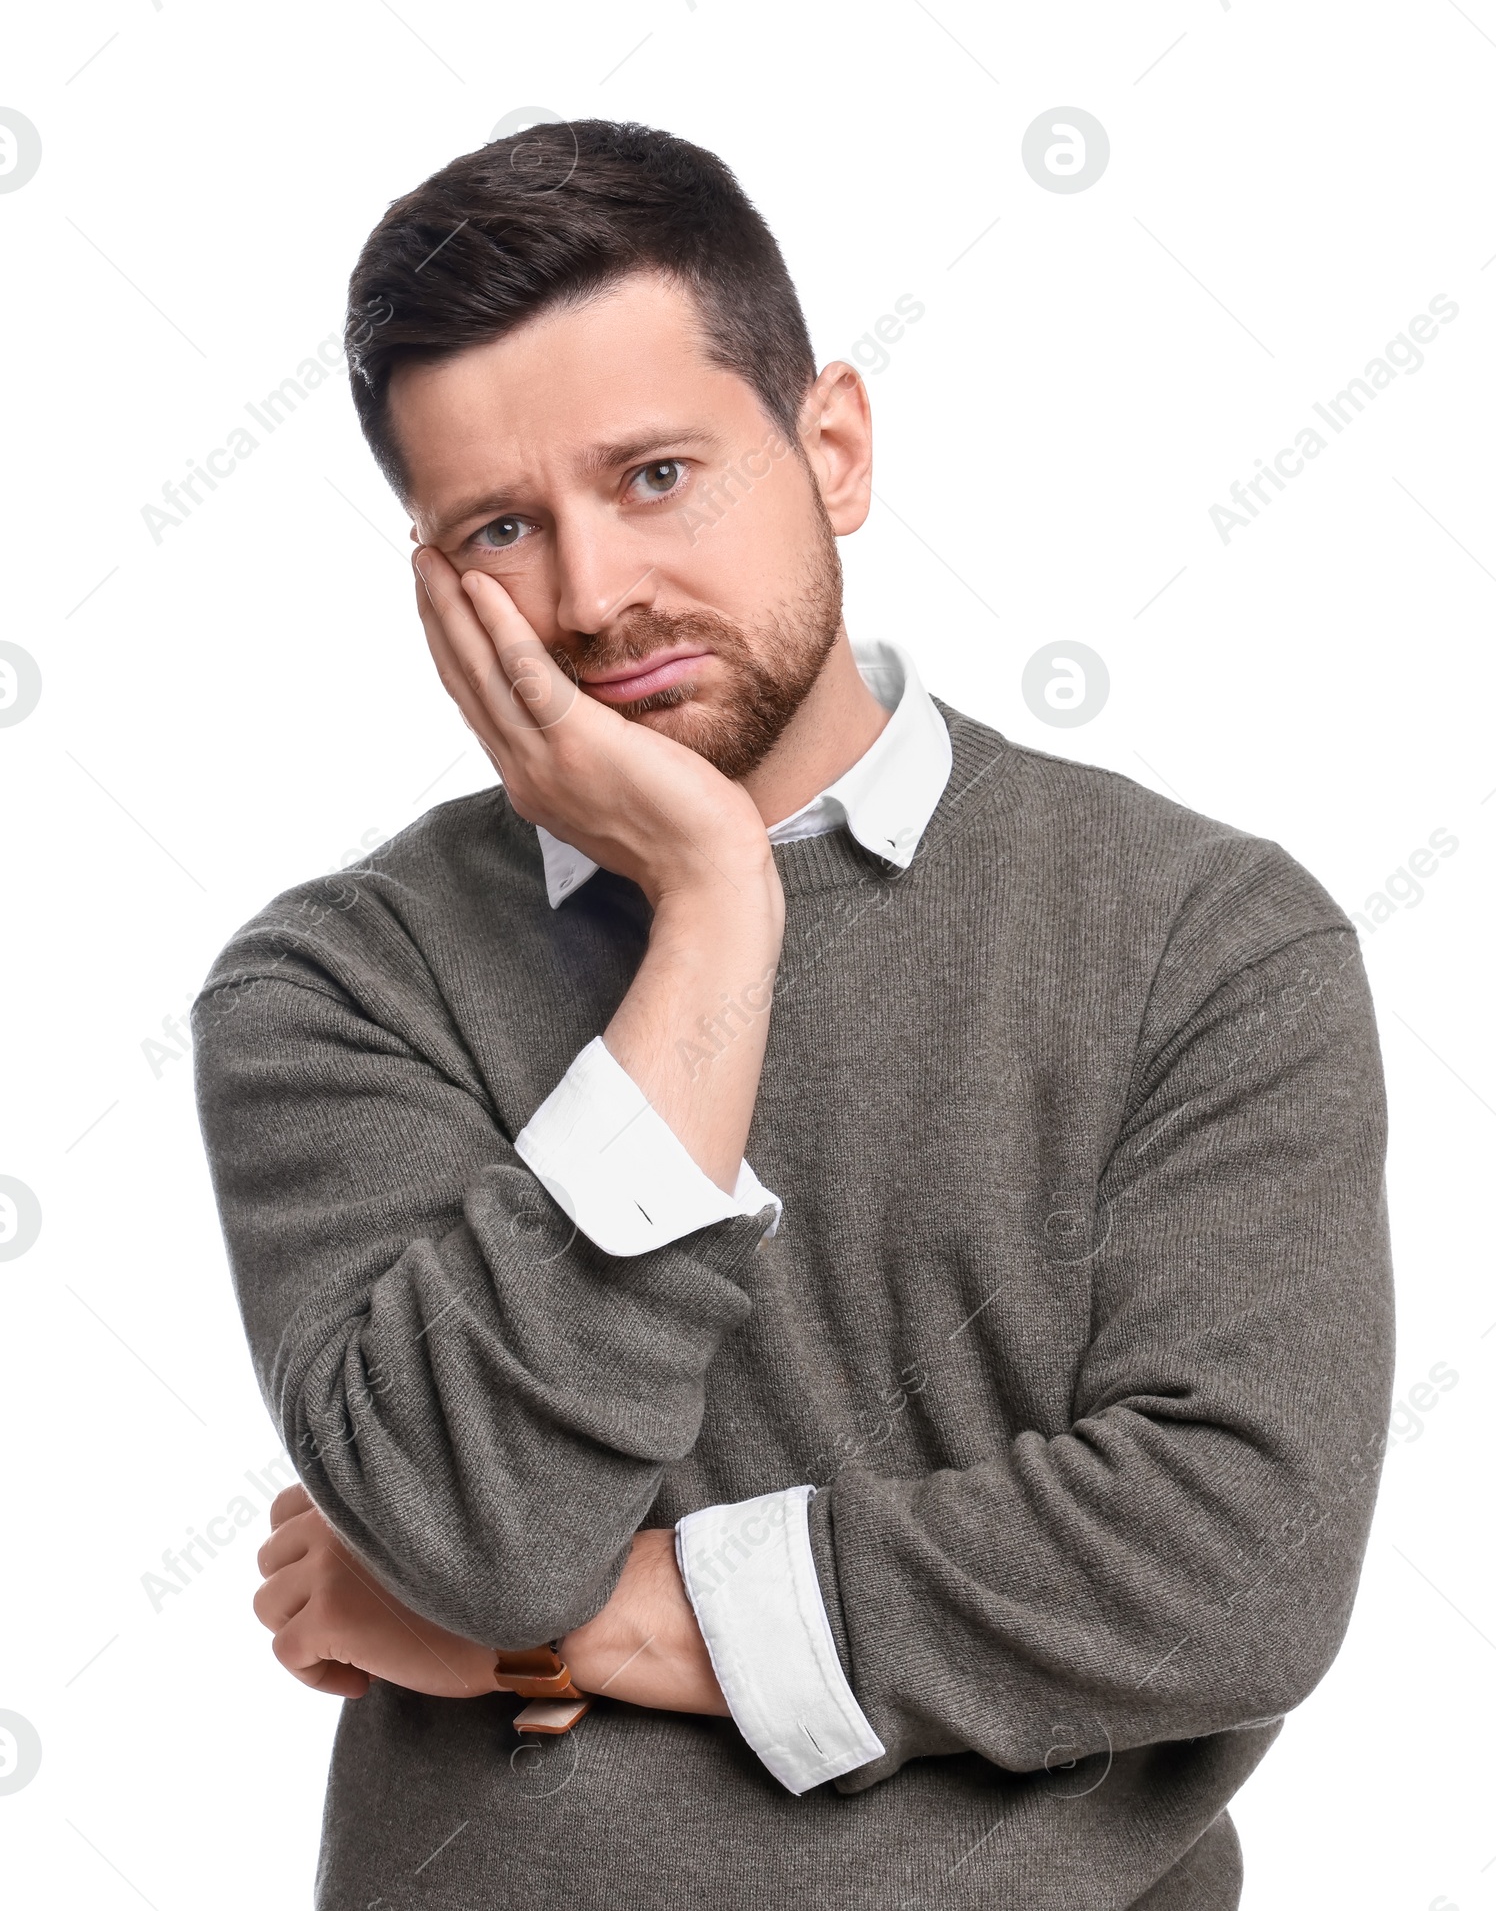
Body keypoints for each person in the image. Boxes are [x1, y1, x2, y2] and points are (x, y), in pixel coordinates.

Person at [192, 117, 1395, 1910]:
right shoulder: (336, 986)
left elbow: (1232, 1567)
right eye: (503, 528)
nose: (595, 597)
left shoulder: (1204, 938)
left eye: (658, 475)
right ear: (434, 582)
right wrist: (715, 907)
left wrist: (556, 1637)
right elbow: (481, 1522)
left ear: (830, 445)